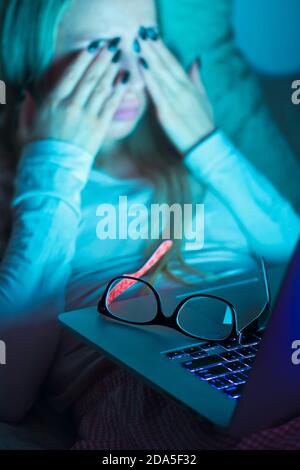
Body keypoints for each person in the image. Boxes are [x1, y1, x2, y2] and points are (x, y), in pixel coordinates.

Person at [0, 0, 299, 449]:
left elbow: (289, 252)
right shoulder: (26, 183)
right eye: (99, 48)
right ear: (34, 57)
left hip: (263, 357)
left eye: (145, 41)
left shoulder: (190, 156)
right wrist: (55, 164)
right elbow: (10, 391)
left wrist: (206, 143)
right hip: (134, 389)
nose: (132, 76)